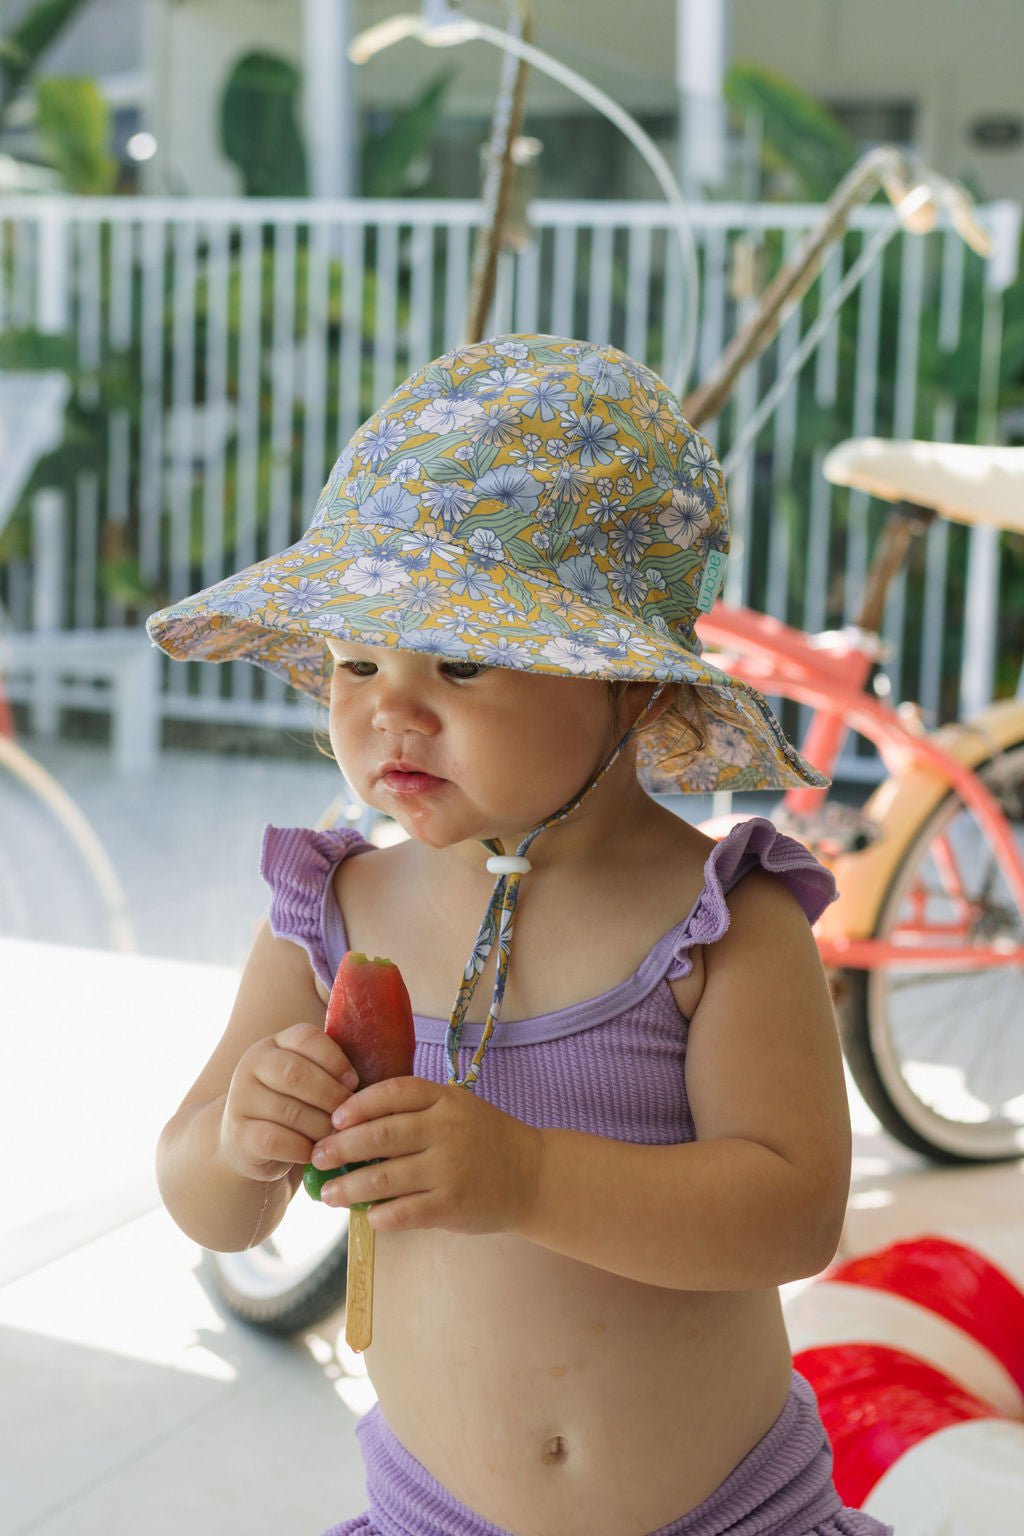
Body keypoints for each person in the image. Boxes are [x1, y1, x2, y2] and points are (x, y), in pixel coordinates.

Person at [149, 334, 892, 1536]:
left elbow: (793, 1213)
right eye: (355, 659)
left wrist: (532, 1179)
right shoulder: (330, 916)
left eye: (461, 659)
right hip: (429, 1514)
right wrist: (241, 1140)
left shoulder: (724, 922)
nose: (389, 705)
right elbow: (210, 1206)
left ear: (630, 690)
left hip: (727, 1517)